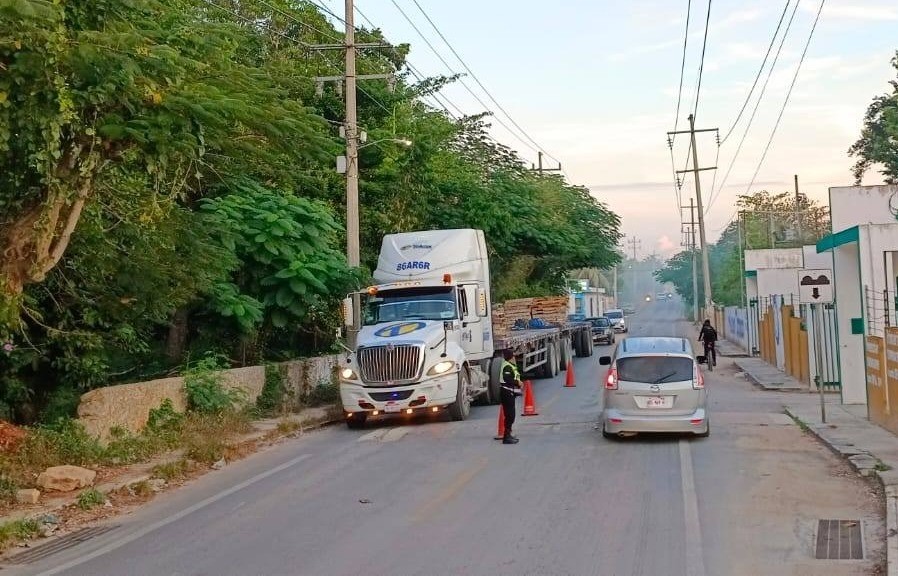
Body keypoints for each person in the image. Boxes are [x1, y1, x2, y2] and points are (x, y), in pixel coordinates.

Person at [499, 349, 523, 444]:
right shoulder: (507, 366)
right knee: (510, 415)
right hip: (507, 393)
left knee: (510, 415)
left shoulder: (510, 365)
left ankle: (508, 434)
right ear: (511, 357)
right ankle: (506, 437)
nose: (514, 358)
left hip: (509, 393)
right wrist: (518, 382)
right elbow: (507, 379)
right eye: (513, 356)